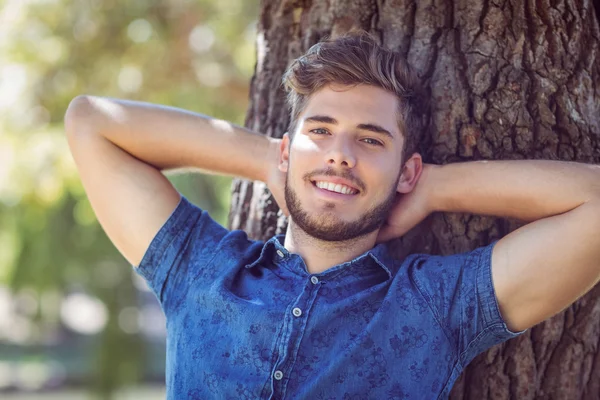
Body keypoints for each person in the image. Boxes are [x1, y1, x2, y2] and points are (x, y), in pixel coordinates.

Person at [64, 32, 600, 399]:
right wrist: (268, 160)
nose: (340, 154)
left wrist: (435, 187)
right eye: (320, 130)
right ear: (287, 149)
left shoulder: (437, 307)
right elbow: (91, 122)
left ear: (405, 170)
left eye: (370, 139)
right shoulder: (200, 271)